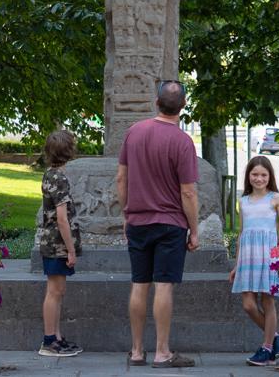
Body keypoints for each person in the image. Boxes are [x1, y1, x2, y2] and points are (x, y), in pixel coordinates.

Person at [117, 80, 199, 369]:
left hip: (138, 221)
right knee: (163, 285)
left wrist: (127, 214)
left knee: (139, 284)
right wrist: (195, 230)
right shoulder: (182, 142)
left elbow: (121, 179)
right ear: (184, 107)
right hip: (170, 224)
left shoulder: (134, 133)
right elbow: (187, 192)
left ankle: (137, 351)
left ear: (156, 102)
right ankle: (162, 352)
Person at [230, 156, 279, 366]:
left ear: (270, 177)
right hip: (247, 259)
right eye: (255, 174)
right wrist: (236, 265)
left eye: (263, 175)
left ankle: (266, 349)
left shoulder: (275, 198)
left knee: (267, 301)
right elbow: (241, 234)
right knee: (248, 305)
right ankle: (276, 338)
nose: (259, 178)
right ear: (248, 175)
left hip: (268, 257)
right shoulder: (243, 201)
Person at [37, 129, 83, 357]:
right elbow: (62, 218)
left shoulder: (50, 174)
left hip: (53, 242)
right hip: (57, 244)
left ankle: (57, 337)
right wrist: (71, 249)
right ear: (69, 151)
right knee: (54, 291)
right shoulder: (60, 178)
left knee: (58, 290)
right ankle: (48, 341)